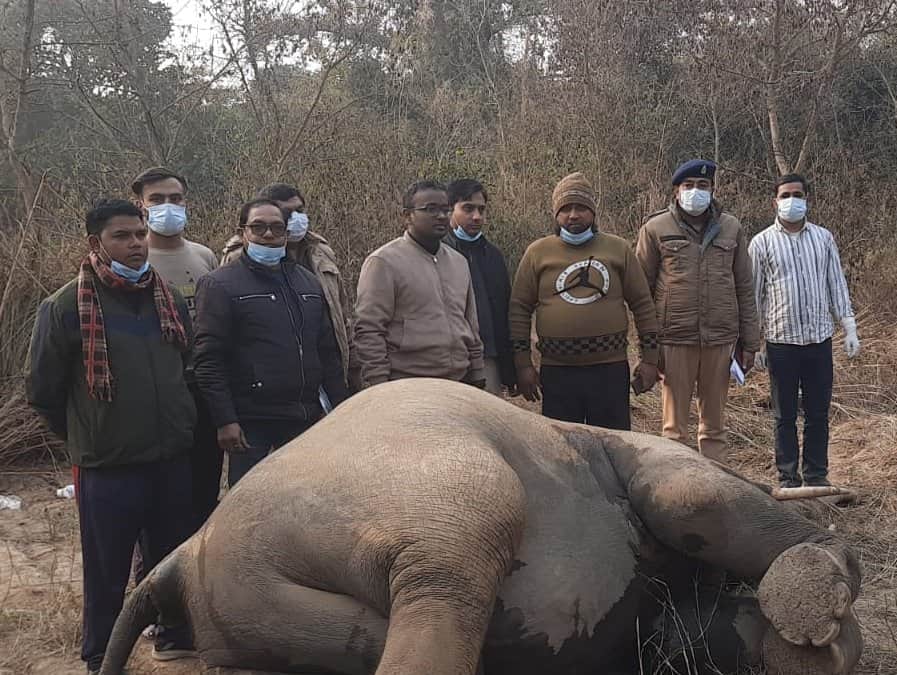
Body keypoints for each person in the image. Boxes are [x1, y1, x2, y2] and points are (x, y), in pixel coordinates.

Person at [25, 199, 196, 673]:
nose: (136, 244)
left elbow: (184, 367)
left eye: (140, 234)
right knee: (107, 570)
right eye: (122, 236)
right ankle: (101, 656)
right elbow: (42, 391)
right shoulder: (66, 306)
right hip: (107, 466)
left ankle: (172, 635)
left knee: (170, 561)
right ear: (95, 242)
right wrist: (90, 435)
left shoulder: (168, 298)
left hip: (169, 458)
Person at [194, 199, 348, 486]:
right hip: (252, 420)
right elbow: (208, 359)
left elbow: (327, 352)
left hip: (304, 416)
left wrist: (340, 409)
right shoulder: (219, 284)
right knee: (250, 499)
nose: (268, 234)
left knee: (309, 494)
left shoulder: (307, 282)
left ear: (286, 234)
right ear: (242, 233)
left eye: (277, 228)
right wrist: (225, 420)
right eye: (258, 227)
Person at [508, 172, 659, 429]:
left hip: (609, 370)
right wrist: (523, 366)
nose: (573, 215)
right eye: (565, 209)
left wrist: (650, 360)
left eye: (581, 208)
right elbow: (519, 310)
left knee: (613, 443)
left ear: (593, 212)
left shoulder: (618, 249)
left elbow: (643, 305)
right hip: (557, 373)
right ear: (556, 214)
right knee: (564, 445)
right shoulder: (537, 253)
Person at [636, 159, 761, 462]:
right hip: (674, 339)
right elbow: (640, 292)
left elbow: (745, 287)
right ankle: (676, 484)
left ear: (712, 189)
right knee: (674, 429)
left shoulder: (731, 227)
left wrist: (750, 343)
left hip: (720, 339)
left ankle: (717, 483)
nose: (696, 191)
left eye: (703, 186)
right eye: (688, 186)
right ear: (676, 191)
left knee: (714, 428)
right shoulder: (655, 228)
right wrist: (648, 349)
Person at [749, 174, 860, 488]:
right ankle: (788, 477)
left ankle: (816, 475)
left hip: (818, 341)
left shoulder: (823, 239)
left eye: (797, 195)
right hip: (781, 343)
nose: (791, 201)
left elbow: (836, 284)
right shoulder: (761, 243)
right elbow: (754, 296)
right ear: (775, 202)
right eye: (785, 195)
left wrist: (849, 327)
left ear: (807, 199)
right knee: (784, 416)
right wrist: (753, 342)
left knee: (817, 414)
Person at [131, 167, 220, 530]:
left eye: (175, 198)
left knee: (205, 484)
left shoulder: (205, 256)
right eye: (157, 199)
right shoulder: (134, 259)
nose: (167, 206)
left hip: (204, 387)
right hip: (157, 393)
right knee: (161, 497)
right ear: (141, 206)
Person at [221, 183, 357, 388]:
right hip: (269, 384)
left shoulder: (321, 252)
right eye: (287, 212)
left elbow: (341, 317)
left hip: (326, 370)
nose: (296, 218)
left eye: (299, 210)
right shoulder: (239, 258)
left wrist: (352, 370)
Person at [353, 180, 485, 388]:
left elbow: (470, 324)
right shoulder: (384, 262)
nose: (441, 216)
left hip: (458, 382)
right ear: (407, 216)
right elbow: (369, 329)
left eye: (445, 209)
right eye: (431, 209)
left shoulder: (458, 262)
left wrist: (477, 371)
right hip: (407, 384)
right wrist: (378, 383)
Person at [442, 179, 516, 396]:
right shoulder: (437, 253)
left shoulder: (492, 255)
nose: (476, 216)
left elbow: (504, 311)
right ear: (450, 210)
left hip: (487, 358)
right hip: (446, 361)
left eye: (481, 210)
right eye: (468, 208)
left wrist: (510, 367)